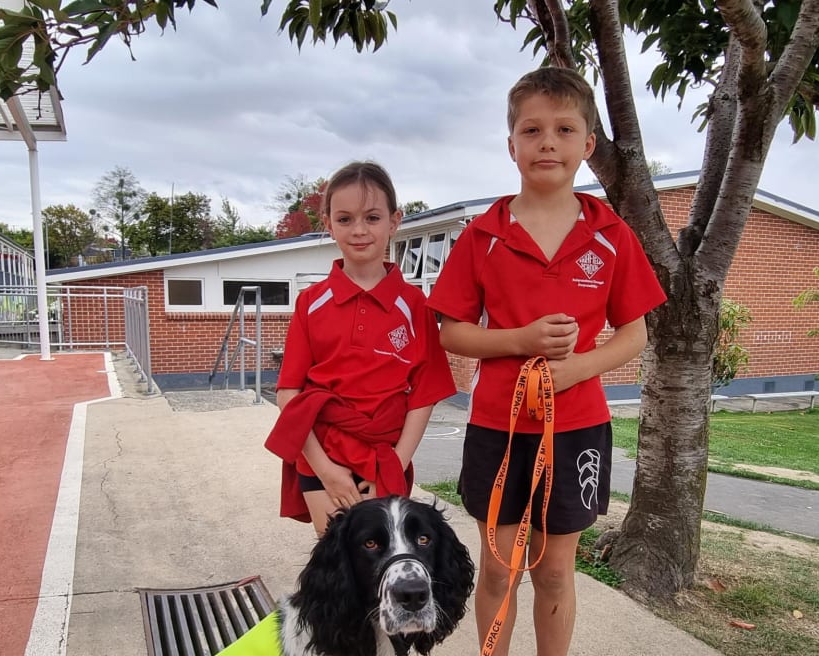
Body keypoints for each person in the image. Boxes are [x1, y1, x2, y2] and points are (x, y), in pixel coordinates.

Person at [427, 67, 667, 656]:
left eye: (564, 129)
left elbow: (633, 335)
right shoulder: (482, 235)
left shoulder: (612, 235)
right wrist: (521, 340)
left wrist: (577, 367)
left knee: (556, 571)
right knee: (497, 569)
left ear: (587, 146)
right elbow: (452, 332)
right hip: (497, 428)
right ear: (512, 145)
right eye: (532, 130)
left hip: (577, 427)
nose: (547, 142)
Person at [265, 160, 457, 536]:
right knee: (339, 570)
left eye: (371, 217)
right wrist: (326, 470)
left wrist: (396, 464)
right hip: (323, 455)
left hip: (384, 458)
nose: (359, 230)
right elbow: (290, 393)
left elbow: (424, 394)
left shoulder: (414, 304)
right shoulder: (311, 302)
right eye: (345, 219)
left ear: (394, 221)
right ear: (328, 224)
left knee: (385, 571)